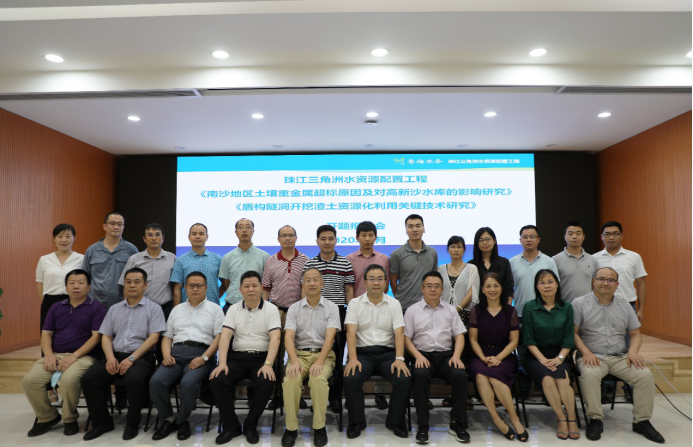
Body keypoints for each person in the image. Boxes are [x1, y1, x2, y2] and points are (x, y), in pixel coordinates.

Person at [573, 267, 664, 443]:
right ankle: (595, 419)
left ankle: (641, 421)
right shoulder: (579, 303)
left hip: (621, 357)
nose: (605, 283)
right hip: (592, 356)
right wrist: (585, 352)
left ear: (617, 284)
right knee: (590, 375)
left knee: (645, 376)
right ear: (594, 281)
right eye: (601, 279)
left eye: (611, 280)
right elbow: (573, 333)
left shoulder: (624, 304)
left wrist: (633, 351)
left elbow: (635, 334)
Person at [81, 267, 166, 441]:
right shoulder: (114, 309)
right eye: (128, 282)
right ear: (124, 285)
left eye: (137, 282)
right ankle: (102, 423)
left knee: (134, 379)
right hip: (115, 354)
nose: (132, 285)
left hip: (141, 356)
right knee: (89, 379)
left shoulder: (154, 308)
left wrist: (131, 358)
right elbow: (106, 336)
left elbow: (154, 338)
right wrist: (110, 357)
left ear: (145, 285)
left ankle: (132, 423)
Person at [22, 269, 106, 437]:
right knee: (29, 381)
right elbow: (46, 333)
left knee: (69, 379)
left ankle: (70, 419)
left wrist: (74, 356)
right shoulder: (56, 307)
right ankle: (48, 417)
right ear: (66, 287)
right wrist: (49, 355)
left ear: (88, 286)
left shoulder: (97, 308)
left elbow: (96, 337)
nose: (76, 286)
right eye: (72, 283)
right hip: (56, 355)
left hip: (84, 357)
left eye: (81, 283)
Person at [150, 271, 224, 441]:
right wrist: (166, 355)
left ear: (206, 288)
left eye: (199, 285)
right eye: (191, 285)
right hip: (175, 354)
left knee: (189, 383)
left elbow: (219, 337)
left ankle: (182, 420)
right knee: (156, 381)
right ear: (185, 288)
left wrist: (204, 358)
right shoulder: (177, 310)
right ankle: (168, 419)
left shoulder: (215, 309)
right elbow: (167, 337)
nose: (195, 289)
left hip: (201, 355)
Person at [210, 271, 281, 445]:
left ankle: (250, 425)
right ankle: (231, 426)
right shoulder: (233, 309)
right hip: (237, 358)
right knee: (218, 379)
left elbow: (276, 338)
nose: (251, 289)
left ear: (261, 288)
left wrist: (268, 364)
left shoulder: (271, 309)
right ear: (240, 289)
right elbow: (225, 337)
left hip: (261, 359)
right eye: (247, 286)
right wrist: (222, 363)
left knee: (266, 382)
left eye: (255, 285)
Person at [343, 264, 411, 440]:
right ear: (364, 282)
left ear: (386, 282)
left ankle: (395, 421)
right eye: (372, 279)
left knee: (403, 379)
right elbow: (350, 332)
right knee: (351, 378)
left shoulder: (394, 304)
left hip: (387, 354)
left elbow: (399, 332)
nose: (376, 283)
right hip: (362, 354)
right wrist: (352, 358)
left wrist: (399, 358)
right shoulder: (355, 304)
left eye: (380, 279)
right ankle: (357, 422)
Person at [405, 271, 470, 445]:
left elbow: (460, 335)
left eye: (436, 286)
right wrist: (417, 356)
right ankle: (423, 425)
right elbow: (406, 338)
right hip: (422, 355)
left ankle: (457, 423)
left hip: (446, 356)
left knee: (461, 376)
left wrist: (456, 356)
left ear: (442, 289)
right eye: (429, 286)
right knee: (420, 376)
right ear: (422, 289)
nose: (432, 289)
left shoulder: (450, 310)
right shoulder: (412, 310)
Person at [281, 268, 341, 447]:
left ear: (322, 284)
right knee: (290, 380)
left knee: (318, 380)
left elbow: (330, 338)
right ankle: (291, 428)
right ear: (303, 284)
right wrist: (294, 361)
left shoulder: (332, 307)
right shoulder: (294, 308)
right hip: (299, 354)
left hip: (324, 355)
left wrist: (320, 361)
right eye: (308, 280)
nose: (312, 283)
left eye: (316, 280)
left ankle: (319, 427)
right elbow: (288, 337)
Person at [468, 273, 528, 442]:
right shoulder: (476, 310)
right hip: (480, 355)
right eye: (488, 286)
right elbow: (473, 339)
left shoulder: (510, 311)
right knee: (481, 374)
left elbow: (514, 341)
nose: (492, 289)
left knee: (495, 378)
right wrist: (484, 358)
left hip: (504, 354)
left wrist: (498, 358)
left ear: (502, 289)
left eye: (496, 285)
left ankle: (514, 418)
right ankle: (496, 419)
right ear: (482, 289)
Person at [521, 269, 578, 440]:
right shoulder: (529, 307)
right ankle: (561, 419)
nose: (547, 286)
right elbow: (528, 338)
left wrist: (559, 359)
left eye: (550, 282)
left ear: (557, 284)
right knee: (547, 379)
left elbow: (569, 338)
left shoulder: (566, 307)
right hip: (535, 355)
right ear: (537, 287)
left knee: (562, 380)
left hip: (560, 354)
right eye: (542, 283)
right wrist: (543, 360)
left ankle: (572, 419)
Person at [303, 224, 355, 412]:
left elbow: (349, 290)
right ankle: (317, 399)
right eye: (323, 239)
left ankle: (335, 399)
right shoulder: (310, 264)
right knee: (317, 354)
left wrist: (350, 315)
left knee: (337, 357)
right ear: (317, 241)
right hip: (314, 312)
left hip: (338, 313)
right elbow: (304, 290)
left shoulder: (344, 263)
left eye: (330, 238)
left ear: (336, 240)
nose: (327, 242)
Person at [262, 225, 310, 410]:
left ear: (296, 238)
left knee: (297, 353)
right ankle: (277, 394)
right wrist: (265, 311)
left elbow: (306, 287)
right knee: (276, 355)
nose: (287, 238)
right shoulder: (271, 261)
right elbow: (266, 289)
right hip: (277, 312)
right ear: (278, 239)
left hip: (298, 312)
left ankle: (297, 393)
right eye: (284, 235)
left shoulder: (305, 260)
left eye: (291, 235)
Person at [346, 221, 391, 410]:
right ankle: (351, 394)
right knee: (354, 349)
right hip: (357, 309)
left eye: (370, 235)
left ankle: (380, 393)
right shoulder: (349, 259)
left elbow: (385, 286)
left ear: (375, 237)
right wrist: (352, 308)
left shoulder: (384, 259)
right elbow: (349, 287)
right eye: (363, 235)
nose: (367, 239)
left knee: (380, 345)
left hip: (379, 308)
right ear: (357, 237)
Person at [118, 223, 176, 319]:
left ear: (163, 238)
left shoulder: (172, 258)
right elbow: (126, 286)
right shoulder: (134, 259)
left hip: (165, 309)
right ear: (144, 239)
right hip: (139, 308)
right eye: (150, 235)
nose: (154, 238)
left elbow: (175, 286)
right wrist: (126, 310)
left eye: (157, 235)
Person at [593, 221, 647, 323]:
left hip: (628, 305)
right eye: (607, 234)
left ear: (621, 236)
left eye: (615, 234)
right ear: (602, 236)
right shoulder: (594, 258)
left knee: (630, 333)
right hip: (600, 305)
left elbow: (641, 284)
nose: (611, 237)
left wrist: (641, 310)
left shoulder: (634, 257)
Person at [81, 212, 138, 308]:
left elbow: (138, 277)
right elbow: (84, 277)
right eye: (112, 223)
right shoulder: (92, 250)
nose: (116, 227)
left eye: (120, 224)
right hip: (95, 303)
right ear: (104, 226)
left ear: (123, 227)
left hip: (123, 303)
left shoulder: (131, 249)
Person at [36, 224, 84, 334]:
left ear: (74, 238)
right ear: (54, 239)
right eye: (60, 236)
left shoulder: (82, 259)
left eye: (68, 236)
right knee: (48, 333)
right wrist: (46, 301)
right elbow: (40, 283)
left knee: (72, 333)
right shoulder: (44, 259)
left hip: (74, 301)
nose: (64, 240)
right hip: (50, 302)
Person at [390, 214, 439, 314]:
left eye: (418, 226)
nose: (415, 229)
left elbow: (434, 279)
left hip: (427, 305)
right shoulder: (397, 254)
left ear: (424, 229)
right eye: (410, 226)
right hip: (404, 306)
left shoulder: (432, 253)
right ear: (406, 230)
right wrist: (400, 299)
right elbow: (393, 282)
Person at [509, 225, 560, 318]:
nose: (528, 240)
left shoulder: (549, 261)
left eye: (532, 237)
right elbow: (508, 289)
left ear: (538, 239)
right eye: (525, 237)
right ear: (520, 240)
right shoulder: (512, 262)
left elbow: (556, 287)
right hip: (520, 313)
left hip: (544, 312)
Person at [220, 218, 270, 310]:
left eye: (248, 227)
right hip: (232, 306)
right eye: (240, 227)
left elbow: (267, 284)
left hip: (257, 307)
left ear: (253, 231)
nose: (244, 230)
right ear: (236, 232)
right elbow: (226, 284)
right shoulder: (227, 257)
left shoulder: (264, 257)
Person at [171, 223, 224, 306]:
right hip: (188, 307)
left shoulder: (218, 259)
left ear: (207, 237)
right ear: (189, 237)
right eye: (194, 234)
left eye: (201, 234)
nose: (197, 237)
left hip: (212, 307)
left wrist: (215, 297)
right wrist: (176, 310)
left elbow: (225, 284)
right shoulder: (181, 260)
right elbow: (177, 288)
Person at [438, 235, 479, 327]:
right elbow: (438, 291)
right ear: (448, 249)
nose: (456, 250)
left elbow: (472, 293)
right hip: (443, 314)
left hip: (464, 313)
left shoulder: (471, 268)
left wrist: (457, 309)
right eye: (452, 247)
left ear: (464, 249)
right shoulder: (441, 269)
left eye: (459, 247)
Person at [553, 221, 598, 302]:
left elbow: (595, 284)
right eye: (570, 234)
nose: (574, 237)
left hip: (588, 305)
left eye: (578, 233)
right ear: (565, 236)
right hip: (564, 306)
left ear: (583, 236)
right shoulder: (555, 260)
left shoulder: (592, 260)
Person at [468, 227, 514, 305]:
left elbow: (509, 288)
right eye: (481, 240)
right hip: (478, 307)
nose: (485, 243)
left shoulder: (504, 262)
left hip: (501, 307)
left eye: (488, 239)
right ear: (477, 243)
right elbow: (470, 290)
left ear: (494, 241)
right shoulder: (471, 264)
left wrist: (507, 308)